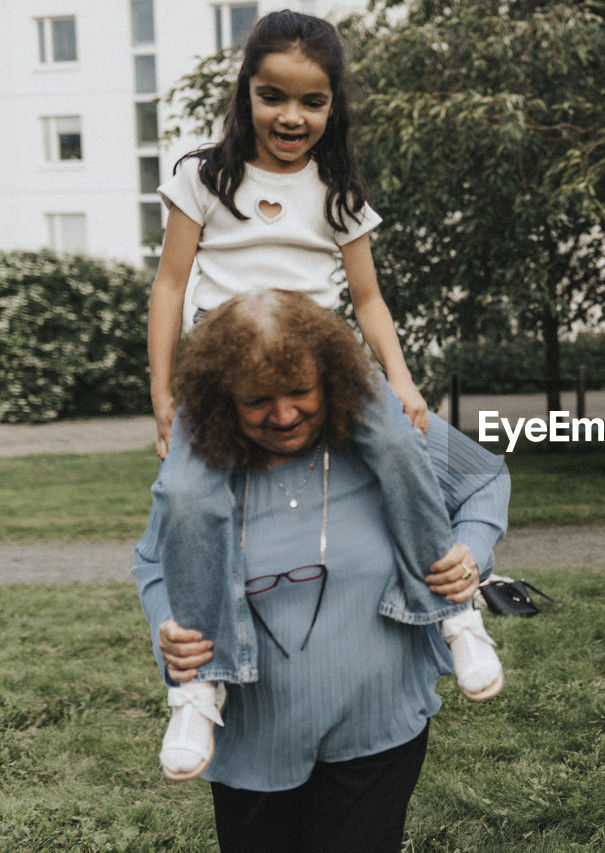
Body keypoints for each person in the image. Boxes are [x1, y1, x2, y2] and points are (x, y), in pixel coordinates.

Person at [145, 10, 502, 781]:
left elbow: (368, 301)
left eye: (311, 101)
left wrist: (400, 382)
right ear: (246, 94)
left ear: (333, 105)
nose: (291, 116)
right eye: (273, 96)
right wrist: (162, 387)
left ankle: (455, 614)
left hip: (322, 355)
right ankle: (201, 684)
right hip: (225, 365)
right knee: (183, 495)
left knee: (404, 452)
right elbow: (171, 286)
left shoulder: (338, 190)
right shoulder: (202, 177)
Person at [132, 291, 510, 851]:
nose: (283, 415)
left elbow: (484, 481)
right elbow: (153, 563)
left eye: (300, 391)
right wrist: (169, 624)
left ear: (327, 378)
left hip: (376, 728)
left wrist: (470, 551)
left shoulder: (386, 439)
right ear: (222, 399)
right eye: (257, 400)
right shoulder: (203, 475)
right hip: (253, 742)